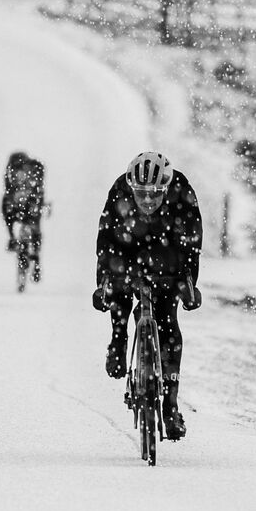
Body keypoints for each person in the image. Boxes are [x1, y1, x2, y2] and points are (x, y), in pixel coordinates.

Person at [92, 151, 202, 441]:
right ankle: (118, 340)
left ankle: (171, 405)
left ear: (166, 188)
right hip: (125, 249)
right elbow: (105, 240)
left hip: (167, 253)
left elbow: (193, 245)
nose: (148, 200)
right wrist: (103, 284)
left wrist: (189, 285)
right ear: (132, 187)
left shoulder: (182, 193)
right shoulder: (119, 192)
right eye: (141, 193)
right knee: (119, 292)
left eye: (155, 194)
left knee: (168, 321)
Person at [2, 151, 46, 281]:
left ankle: (32, 255)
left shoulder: (31, 171)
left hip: (28, 203)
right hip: (24, 203)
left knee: (31, 225)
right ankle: (35, 257)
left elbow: (37, 191)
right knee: (34, 228)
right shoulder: (32, 170)